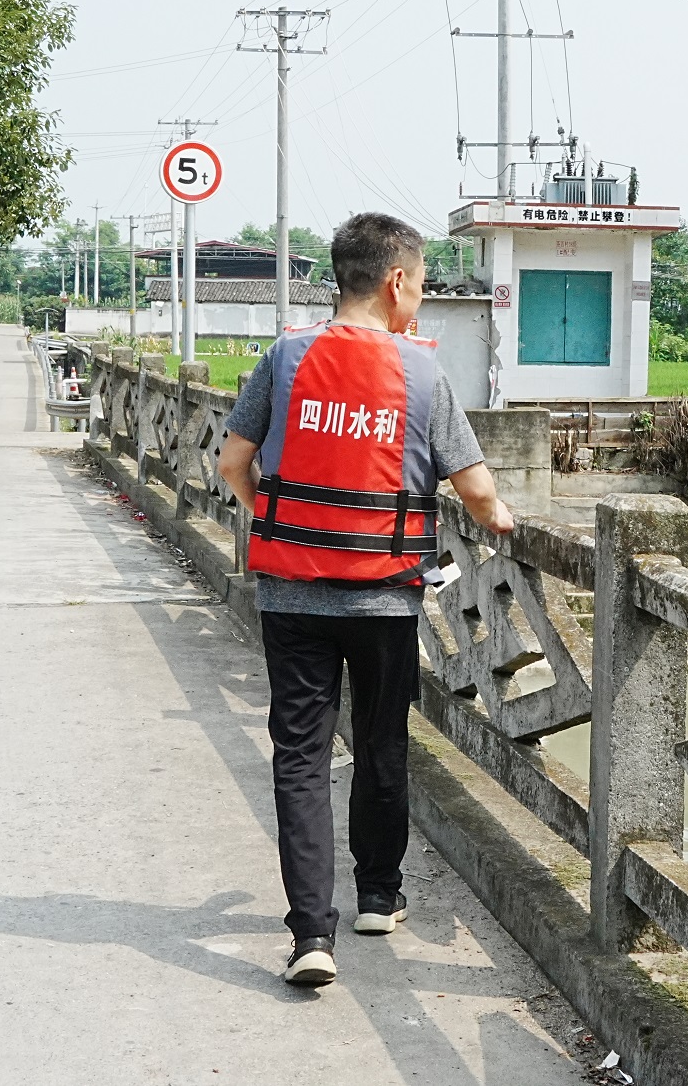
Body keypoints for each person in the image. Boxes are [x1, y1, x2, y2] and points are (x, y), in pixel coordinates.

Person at [217, 212, 514, 987]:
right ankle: (378, 896)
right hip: (384, 599)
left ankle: (311, 934)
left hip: (291, 595)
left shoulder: (284, 357)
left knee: (300, 757)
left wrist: (275, 522)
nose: (419, 297)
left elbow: (232, 462)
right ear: (395, 280)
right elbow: (475, 489)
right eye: (420, 284)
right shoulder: (421, 374)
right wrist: (500, 520)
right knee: (381, 742)